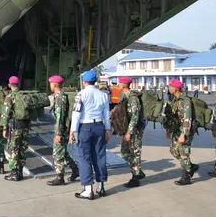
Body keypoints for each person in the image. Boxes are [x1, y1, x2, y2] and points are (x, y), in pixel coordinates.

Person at [70, 70, 111, 200]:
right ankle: (101, 186)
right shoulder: (103, 95)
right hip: (99, 126)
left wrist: (73, 131)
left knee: (84, 158)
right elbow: (106, 114)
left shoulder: (81, 94)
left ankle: (88, 189)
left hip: (85, 127)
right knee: (100, 156)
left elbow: (76, 114)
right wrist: (108, 130)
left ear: (84, 81)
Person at [47, 75, 79, 186]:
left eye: (51, 83)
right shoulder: (60, 96)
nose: (50, 85)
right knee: (63, 152)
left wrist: (59, 133)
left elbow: (60, 116)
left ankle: (60, 177)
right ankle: (75, 170)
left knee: (57, 153)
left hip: (61, 130)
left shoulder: (60, 97)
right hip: (64, 129)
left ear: (55, 84)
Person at [166, 79, 198, 185]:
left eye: (171, 86)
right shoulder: (174, 100)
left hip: (185, 130)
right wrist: (169, 130)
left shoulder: (185, 101)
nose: (169, 88)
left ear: (176, 89)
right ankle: (191, 167)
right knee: (173, 150)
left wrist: (184, 134)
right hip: (176, 129)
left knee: (183, 152)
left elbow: (187, 118)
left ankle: (186, 176)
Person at [0, 76, 31, 181]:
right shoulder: (24, 96)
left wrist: (4, 128)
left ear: (9, 85)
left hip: (15, 128)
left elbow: (5, 114)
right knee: (22, 149)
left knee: (14, 149)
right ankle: (20, 172)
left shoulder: (9, 97)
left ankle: (14, 172)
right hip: (25, 127)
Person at [118, 76, 146, 188]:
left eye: (120, 83)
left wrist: (129, 132)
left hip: (135, 131)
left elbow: (135, 116)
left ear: (124, 85)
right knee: (124, 151)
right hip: (128, 130)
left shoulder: (133, 99)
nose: (118, 85)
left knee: (135, 153)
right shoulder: (125, 97)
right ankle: (138, 171)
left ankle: (135, 178)